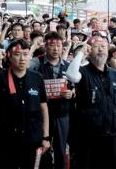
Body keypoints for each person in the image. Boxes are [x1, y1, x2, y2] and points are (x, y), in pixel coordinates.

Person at [0, 39, 50, 168]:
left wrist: (46, 137)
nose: (22, 59)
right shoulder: (1, 76)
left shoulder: (37, 77)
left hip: (32, 136)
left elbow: (43, 108)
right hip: (7, 138)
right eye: (17, 54)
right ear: (9, 56)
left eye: (25, 54)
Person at [66, 35, 116, 168]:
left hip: (111, 135)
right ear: (89, 50)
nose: (100, 50)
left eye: (103, 47)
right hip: (88, 137)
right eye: (96, 47)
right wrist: (81, 53)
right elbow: (70, 75)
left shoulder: (114, 74)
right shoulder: (83, 72)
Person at [30, 32, 74, 169]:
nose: (55, 49)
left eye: (59, 46)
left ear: (63, 48)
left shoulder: (68, 66)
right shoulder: (36, 65)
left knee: (61, 149)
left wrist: (71, 93)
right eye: (52, 45)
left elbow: (75, 87)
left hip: (62, 115)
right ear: (45, 46)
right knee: (42, 148)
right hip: (42, 115)